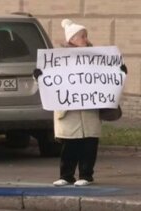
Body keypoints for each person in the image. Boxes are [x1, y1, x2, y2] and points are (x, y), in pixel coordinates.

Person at [33, 19, 127, 186]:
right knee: (70, 146)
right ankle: (66, 175)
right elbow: (48, 82)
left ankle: (86, 175)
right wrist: (39, 76)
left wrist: (119, 73)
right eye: (82, 36)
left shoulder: (97, 58)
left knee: (89, 145)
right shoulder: (59, 59)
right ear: (72, 39)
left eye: (85, 36)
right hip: (69, 112)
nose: (85, 39)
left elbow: (107, 78)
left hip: (90, 111)